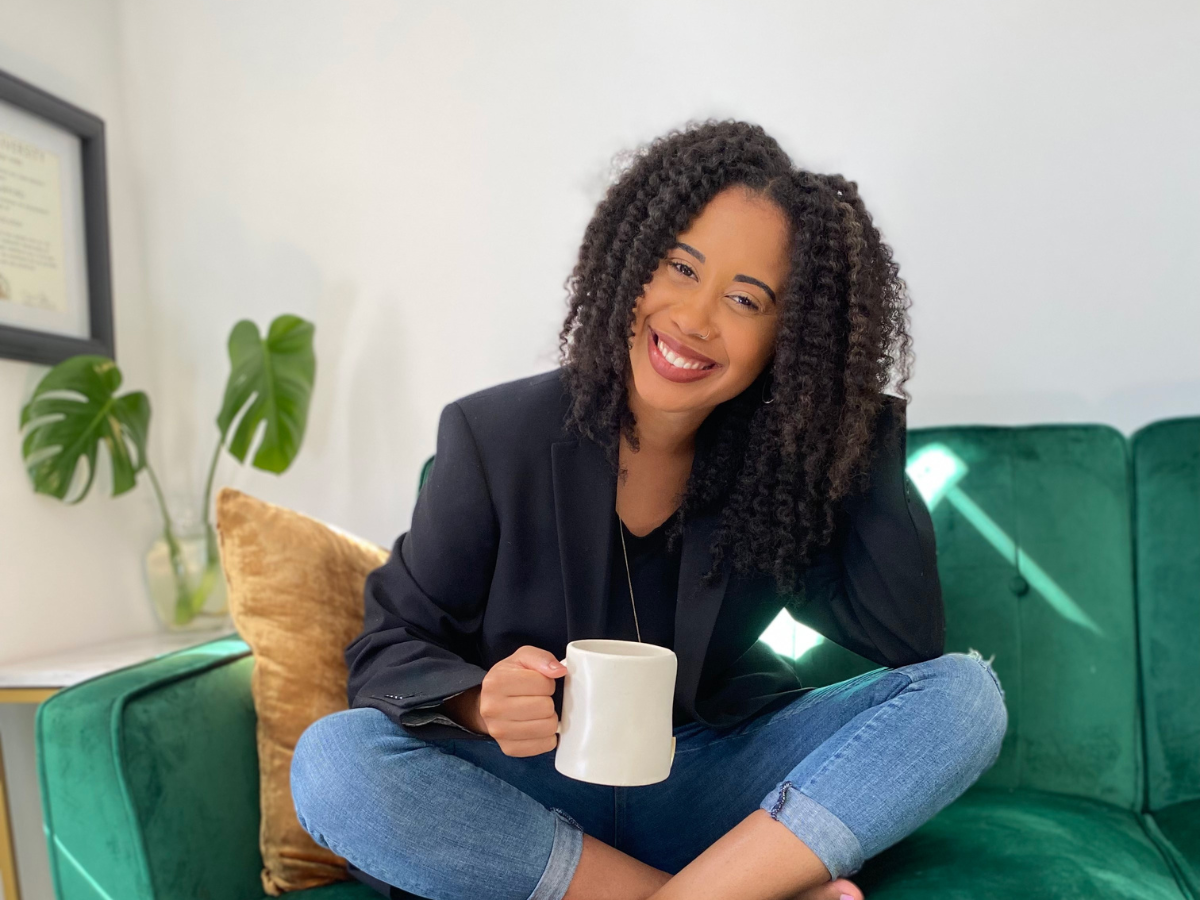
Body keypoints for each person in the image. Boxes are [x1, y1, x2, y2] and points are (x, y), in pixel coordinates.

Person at [290, 118, 1008, 900]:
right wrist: (480, 701)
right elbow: (388, 645)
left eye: (746, 298)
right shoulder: (493, 435)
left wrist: (842, 401)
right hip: (531, 795)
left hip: (704, 781)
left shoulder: (782, 468)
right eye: (680, 266)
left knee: (964, 698)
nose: (696, 318)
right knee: (334, 761)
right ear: (631, 265)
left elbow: (905, 637)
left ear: (791, 338)